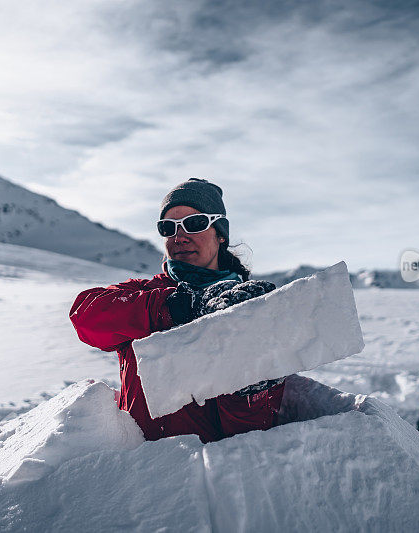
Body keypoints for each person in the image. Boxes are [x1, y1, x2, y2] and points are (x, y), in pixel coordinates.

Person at [69, 178, 285, 443]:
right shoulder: (146, 294)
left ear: (220, 234)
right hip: (143, 470)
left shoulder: (248, 307)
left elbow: (254, 435)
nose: (179, 236)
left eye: (194, 224)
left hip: (210, 474)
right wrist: (174, 307)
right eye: (168, 227)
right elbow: (85, 315)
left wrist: (252, 393)